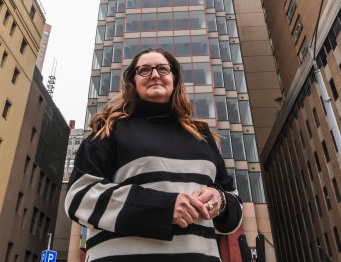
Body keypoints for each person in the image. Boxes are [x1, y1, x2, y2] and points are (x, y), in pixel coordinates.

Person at [65, 48, 242, 261]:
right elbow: (78, 197)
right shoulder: (109, 129)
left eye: (163, 69)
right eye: (145, 70)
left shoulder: (202, 135)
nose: (155, 75)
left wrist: (220, 201)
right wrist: (162, 207)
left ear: (174, 80)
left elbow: (234, 208)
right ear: (132, 82)